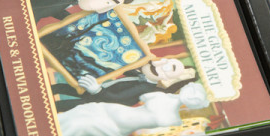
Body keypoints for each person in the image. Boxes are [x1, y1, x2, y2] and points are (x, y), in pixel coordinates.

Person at [57, 82, 209, 136]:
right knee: (73, 117)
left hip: (113, 129)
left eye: (196, 99)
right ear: (187, 87)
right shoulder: (159, 95)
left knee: (78, 127)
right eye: (193, 91)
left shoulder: (175, 120)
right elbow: (130, 97)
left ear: (196, 105)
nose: (192, 96)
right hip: (108, 110)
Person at [53, 56, 197, 111]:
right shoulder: (141, 77)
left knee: (59, 106)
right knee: (59, 87)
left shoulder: (145, 88)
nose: (157, 64)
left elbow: (118, 98)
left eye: (167, 69)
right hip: (96, 92)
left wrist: (97, 90)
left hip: (99, 102)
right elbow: (125, 71)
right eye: (164, 62)